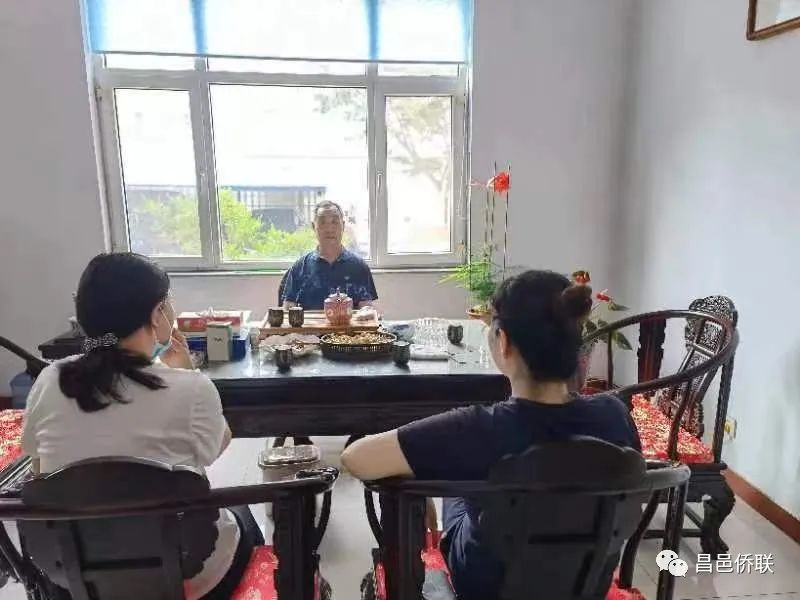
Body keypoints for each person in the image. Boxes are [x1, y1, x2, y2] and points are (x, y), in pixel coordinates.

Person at [342, 270, 641, 600]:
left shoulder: (476, 427)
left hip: (486, 585)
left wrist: (421, 476)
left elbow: (356, 458)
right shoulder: (614, 414)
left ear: (503, 341)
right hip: (586, 580)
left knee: (461, 479)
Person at [21, 253, 263, 600]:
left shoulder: (49, 380)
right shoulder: (190, 388)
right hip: (186, 574)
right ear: (157, 313)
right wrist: (186, 373)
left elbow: (38, 465)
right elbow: (215, 446)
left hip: (78, 576)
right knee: (241, 515)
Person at [282, 200, 377, 309]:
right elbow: (288, 309)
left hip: (347, 321)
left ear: (343, 226)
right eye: (322, 222)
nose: (329, 229)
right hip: (310, 321)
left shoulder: (359, 267)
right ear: (313, 227)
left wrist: (367, 313)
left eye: (334, 222)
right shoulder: (299, 268)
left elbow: (366, 309)